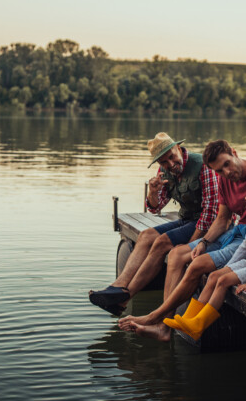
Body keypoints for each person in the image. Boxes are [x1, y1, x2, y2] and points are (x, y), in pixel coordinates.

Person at [119, 139, 246, 340]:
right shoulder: (224, 179)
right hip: (234, 231)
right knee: (177, 253)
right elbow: (222, 219)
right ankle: (165, 327)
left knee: (197, 265)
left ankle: (156, 318)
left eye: (227, 164)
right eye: (219, 171)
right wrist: (203, 242)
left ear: (234, 152)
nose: (226, 173)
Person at [89, 132, 219, 316]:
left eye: (171, 157)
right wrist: (153, 192)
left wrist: (191, 245)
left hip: (207, 224)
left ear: (178, 148)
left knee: (162, 242)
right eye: (164, 162)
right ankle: (118, 287)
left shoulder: (203, 165)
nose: (170, 164)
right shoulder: (164, 171)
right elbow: (155, 207)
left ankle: (125, 297)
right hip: (186, 219)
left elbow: (211, 214)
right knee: (146, 235)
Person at [162, 175, 246, 340]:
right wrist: (228, 267)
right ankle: (189, 319)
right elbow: (245, 247)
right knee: (215, 276)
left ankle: (198, 325)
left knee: (223, 281)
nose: (245, 198)